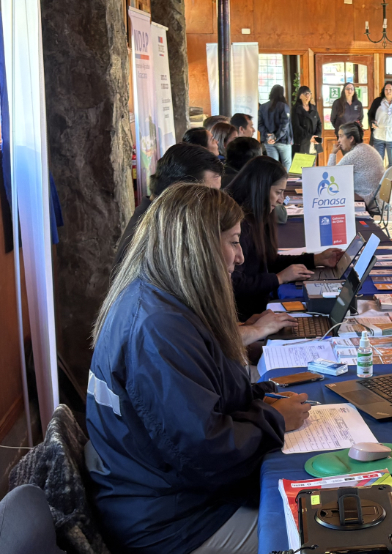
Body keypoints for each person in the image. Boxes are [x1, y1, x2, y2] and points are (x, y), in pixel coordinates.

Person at [88, 184, 312, 554]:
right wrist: (274, 420)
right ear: (198, 247)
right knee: (321, 533)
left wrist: (262, 396)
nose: (240, 257)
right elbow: (203, 452)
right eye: (234, 241)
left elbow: (201, 395)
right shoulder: (159, 326)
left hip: (168, 495)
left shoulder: (161, 299)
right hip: (174, 521)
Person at [225, 156, 343, 320]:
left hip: (258, 305)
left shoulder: (257, 215)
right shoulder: (237, 225)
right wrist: (279, 278)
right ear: (260, 188)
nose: (281, 200)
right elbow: (235, 284)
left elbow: (267, 259)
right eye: (278, 192)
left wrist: (315, 259)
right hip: (244, 315)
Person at [116, 143, 224, 267]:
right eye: (207, 195)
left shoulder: (162, 220)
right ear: (178, 189)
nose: (213, 203)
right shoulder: (152, 237)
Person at [327, 122, 385, 209]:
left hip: (367, 199)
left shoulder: (355, 154)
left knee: (331, 192)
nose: (338, 140)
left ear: (351, 138)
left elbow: (330, 174)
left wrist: (333, 153)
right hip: (378, 199)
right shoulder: (366, 148)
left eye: (341, 136)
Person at [367, 81, 392, 166]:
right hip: (379, 136)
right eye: (386, 89)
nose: (388, 91)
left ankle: (391, 179)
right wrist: (372, 122)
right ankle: (378, 179)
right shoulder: (377, 102)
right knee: (378, 162)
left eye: (390, 89)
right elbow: (370, 114)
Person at [259, 85, 294, 171]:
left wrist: (269, 136)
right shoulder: (284, 106)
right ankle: (286, 183)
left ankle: (273, 182)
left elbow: (260, 124)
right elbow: (284, 124)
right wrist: (276, 136)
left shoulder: (263, 107)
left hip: (268, 141)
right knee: (287, 163)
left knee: (273, 164)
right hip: (283, 140)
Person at [292, 86, 322, 156]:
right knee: (302, 164)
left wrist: (317, 136)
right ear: (300, 96)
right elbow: (296, 126)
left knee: (312, 163)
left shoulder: (313, 108)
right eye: (305, 93)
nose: (308, 95)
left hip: (314, 141)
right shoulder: (296, 109)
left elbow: (319, 123)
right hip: (303, 141)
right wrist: (309, 137)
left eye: (309, 93)